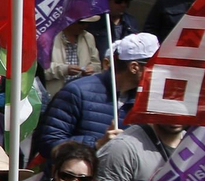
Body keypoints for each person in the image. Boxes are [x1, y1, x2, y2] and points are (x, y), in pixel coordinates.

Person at [33, 32, 154, 160]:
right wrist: (97, 144)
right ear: (134, 67)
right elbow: (48, 143)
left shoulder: (147, 101)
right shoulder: (77, 91)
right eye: (154, 65)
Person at [43, 17, 101, 98]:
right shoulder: (48, 37)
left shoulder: (88, 37)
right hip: (55, 95)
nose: (85, 26)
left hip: (81, 95)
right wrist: (64, 69)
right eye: (81, 23)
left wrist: (91, 69)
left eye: (87, 23)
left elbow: (97, 65)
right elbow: (41, 70)